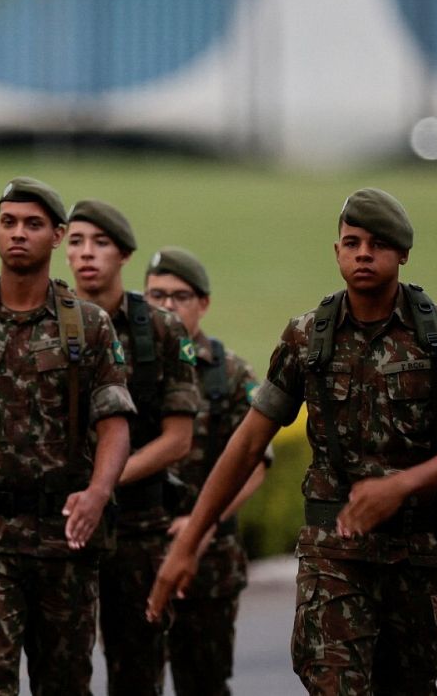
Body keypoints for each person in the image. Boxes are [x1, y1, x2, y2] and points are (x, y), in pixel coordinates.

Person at [149, 187, 437, 695]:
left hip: (415, 557)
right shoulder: (307, 337)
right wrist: (189, 542)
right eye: (351, 242)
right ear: (337, 252)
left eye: (376, 244)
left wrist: (400, 487)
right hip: (333, 555)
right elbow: (246, 445)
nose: (362, 254)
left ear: (402, 254)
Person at [0, 177, 135, 696]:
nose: (18, 233)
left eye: (33, 224)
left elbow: (114, 422)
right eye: (8, 222)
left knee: (63, 682)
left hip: (62, 534)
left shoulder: (88, 327)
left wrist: (98, 493)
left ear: (58, 236)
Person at [64, 201, 198, 696]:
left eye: (99, 243)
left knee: (138, 671)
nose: (86, 254)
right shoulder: (46, 323)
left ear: (123, 254)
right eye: (75, 242)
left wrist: (100, 486)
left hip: (136, 528)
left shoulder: (160, 330)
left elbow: (178, 439)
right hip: (60, 530)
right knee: (62, 673)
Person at [144, 247, 268, 696]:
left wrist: (203, 525)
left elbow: (255, 466)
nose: (168, 306)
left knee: (203, 683)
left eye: (180, 296)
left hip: (208, 560)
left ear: (204, 304)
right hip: (139, 550)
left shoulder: (229, 374)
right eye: (157, 295)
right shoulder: (127, 367)